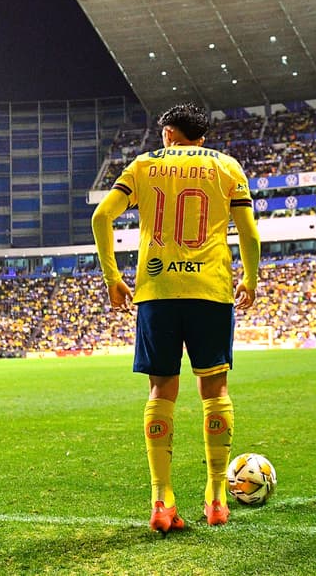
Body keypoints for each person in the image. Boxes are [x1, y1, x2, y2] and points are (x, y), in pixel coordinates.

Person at [92, 102, 260, 533]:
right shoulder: (227, 167)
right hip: (211, 290)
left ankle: (161, 501)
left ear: (168, 133)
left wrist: (113, 277)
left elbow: (101, 217)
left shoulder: (144, 164)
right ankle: (218, 498)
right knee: (214, 388)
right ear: (201, 136)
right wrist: (251, 278)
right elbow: (249, 232)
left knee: (161, 390)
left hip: (158, 292)